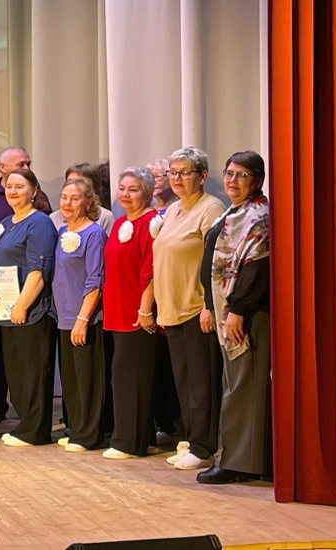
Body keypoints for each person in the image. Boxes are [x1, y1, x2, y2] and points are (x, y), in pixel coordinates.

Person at [198, 152, 271, 485]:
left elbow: (256, 268)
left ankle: (241, 463)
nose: (232, 180)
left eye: (242, 175)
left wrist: (237, 310)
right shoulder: (234, 211)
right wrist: (210, 306)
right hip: (226, 310)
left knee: (244, 385)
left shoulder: (258, 217)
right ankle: (237, 457)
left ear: (258, 180)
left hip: (246, 313)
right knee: (235, 384)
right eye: (229, 173)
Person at [152, 146, 225, 471]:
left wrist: (210, 305)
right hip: (172, 307)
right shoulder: (173, 210)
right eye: (173, 172)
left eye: (185, 172)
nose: (177, 178)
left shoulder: (211, 208)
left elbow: (217, 262)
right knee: (184, 382)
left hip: (197, 308)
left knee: (201, 383)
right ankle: (191, 440)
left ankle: (204, 446)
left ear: (202, 176)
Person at [0, 168, 58, 447]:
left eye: (19, 186)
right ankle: (24, 426)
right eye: (9, 186)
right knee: (16, 373)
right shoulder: (6, 223)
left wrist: (22, 305)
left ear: (34, 191)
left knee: (34, 372)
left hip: (32, 311)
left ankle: (35, 431)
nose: (13, 191)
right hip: (6, 311)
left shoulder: (39, 222)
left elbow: (39, 270)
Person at [102, 167, 160, 460]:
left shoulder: (151, 223)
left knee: (131, 378)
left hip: (137, 314)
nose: (125, 194)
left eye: (133, 189)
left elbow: (151, 269)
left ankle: (129, 443)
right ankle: (142, 437)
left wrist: (145, 308)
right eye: (122, 188)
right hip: (117, 311)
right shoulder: (121, 222)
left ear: (147, 193)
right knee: (124, 375)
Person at [52, 177, 107, 452]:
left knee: (88, 380)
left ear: (88, 202)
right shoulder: (63, 231)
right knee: (72, 380)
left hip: (84, 318)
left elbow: (94, 280)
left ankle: (89, 435)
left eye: (75, 199)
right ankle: (75, 429)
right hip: (63, 317)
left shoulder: (94, 234)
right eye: (64, 197)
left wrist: (83, 320)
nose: (68, 203)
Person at [51, 163, 115, 232]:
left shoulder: (105, 217)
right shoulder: (53, 218)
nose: (73, 185)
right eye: (70, 181)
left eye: (79, 182)